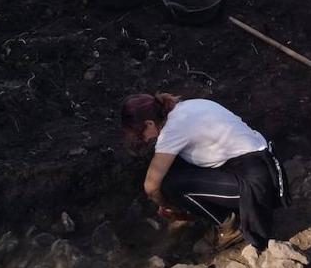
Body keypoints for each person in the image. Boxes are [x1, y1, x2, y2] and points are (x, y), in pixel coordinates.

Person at [121, 93, 289, 250]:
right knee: (174, 167)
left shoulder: (173, 130)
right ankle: (223, 213)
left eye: (140, 134)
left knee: (170, 184)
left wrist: (168, 206)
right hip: (265, 165)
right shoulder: (190, 106)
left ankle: (230, 227)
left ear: (149, 123)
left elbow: (151, 186)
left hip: (257, 184)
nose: (143, 139)